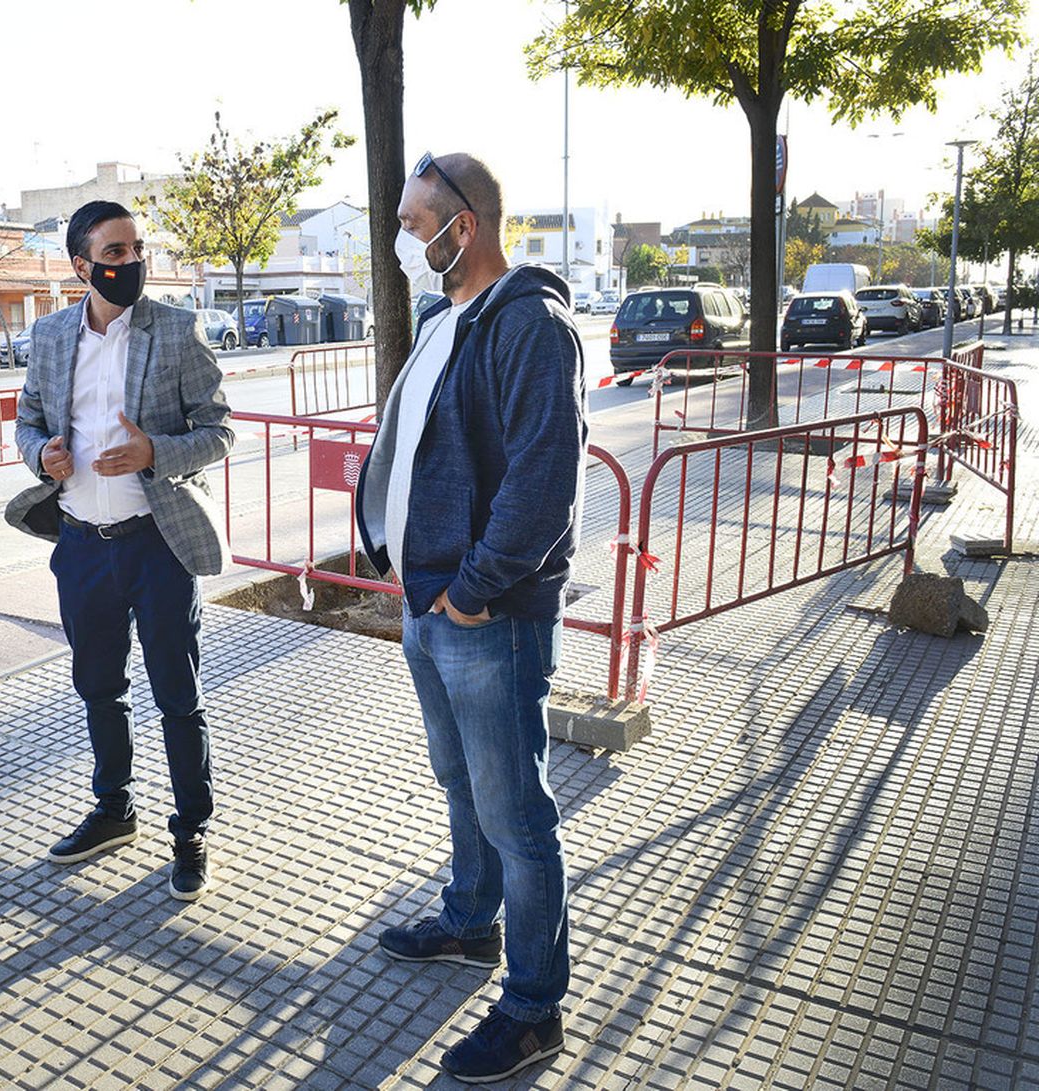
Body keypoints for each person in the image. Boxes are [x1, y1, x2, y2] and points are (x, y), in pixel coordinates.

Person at [356, 153, 587, 1083]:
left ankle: (534, 1007)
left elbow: (544, 482)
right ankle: (468, 921)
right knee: (460, 782)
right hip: (429, 599)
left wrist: (475, 588)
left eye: (417, 224)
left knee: (517, 814)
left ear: (467, 225)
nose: (407, 240)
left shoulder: (531, 324)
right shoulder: (442, 316)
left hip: (486, 612)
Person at [7, 200, 234, 900]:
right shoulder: (47, 336)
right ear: (81, 266)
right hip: (81, 546)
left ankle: (191, 828)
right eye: (113, 253)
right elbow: (27, 420)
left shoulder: (176, 329)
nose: (129, 263)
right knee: (99, 687)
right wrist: (38, 454)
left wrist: (153, 452)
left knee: (177, 695)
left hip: (157, 546)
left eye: (136, 249)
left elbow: (220, 430)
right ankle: (114, 809)